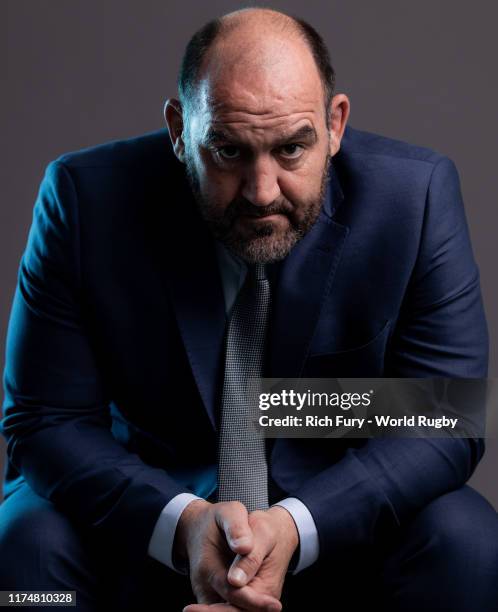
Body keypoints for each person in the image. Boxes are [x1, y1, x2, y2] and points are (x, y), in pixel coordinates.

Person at [1, 7, 497, 611]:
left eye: (291, 149)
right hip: (142, 522)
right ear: (180, 130)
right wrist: (183, 524)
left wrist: (294, 522)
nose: (262, 192)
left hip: (340, 529)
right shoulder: (84, 200)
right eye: (228, 151)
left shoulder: (413, 199)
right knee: (23, 542)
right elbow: (45, 420)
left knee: (465, 539)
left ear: (335, 125)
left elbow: (445, 415)